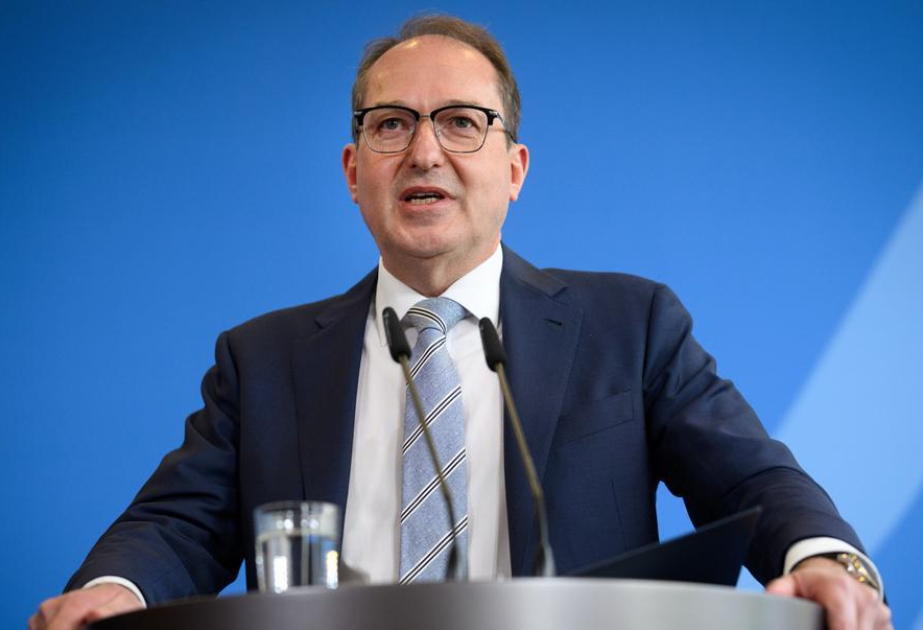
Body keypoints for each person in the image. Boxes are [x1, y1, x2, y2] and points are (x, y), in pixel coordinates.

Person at [30, 14, 891, 630]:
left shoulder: (629, 326)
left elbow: (748, 479)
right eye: (391, 124)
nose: (424, 151)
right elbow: (177, 525)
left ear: (514, 169)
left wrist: (823, 558)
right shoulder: (264, 360)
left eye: (460, 123)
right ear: (353, 171)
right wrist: (114, 591)